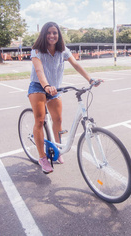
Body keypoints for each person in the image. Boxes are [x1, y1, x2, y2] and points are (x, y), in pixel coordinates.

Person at [28, 21, 101, 174]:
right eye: (48, 33)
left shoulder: (63, 50)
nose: (51, 35)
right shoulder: (36, 50)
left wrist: (90, 79)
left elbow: (76, 64)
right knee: (40, 121)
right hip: (39, 86)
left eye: (54, 33)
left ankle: (56, 150)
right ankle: (42, 157)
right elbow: (39, 71)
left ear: (58, 35)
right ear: (43, 34)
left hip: (55, 88)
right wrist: (47, 86)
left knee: (58, 120)